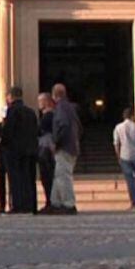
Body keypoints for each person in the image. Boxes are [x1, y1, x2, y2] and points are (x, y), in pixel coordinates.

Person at [2, 86, 40, 214]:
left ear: (10, 97)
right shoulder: (31, 112)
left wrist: (3, 143)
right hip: (30, 150)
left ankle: (18, 205)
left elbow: (8, 131)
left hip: (15, 151)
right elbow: (36, 130)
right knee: (29, 179)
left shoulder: (12, 111)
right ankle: (31, 205)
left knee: (16, 179)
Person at [48, 83, 81, 215]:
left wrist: (56, 142)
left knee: (63, 176)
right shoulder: (71, 108)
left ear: (54, 95)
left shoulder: (60, 108)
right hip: (72, 145)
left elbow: (63, 125)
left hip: (64, 147)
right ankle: (55, 202)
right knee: (59, 175)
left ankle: (68, 203)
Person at [113, 108, 135, 211]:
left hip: (125, 156)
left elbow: (116, 143)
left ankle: (134, 204)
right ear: (133, 116)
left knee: (130, 181)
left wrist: (118, 156)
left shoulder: (118, 127)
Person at [36, 93, 56, 213]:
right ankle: (50, 201)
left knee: (47, 177)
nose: (39, 104)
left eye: (41, 101)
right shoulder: (49, 115)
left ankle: (50, 201)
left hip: (46, 149)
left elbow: (41, 131)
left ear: (47, 102)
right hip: (47, 148)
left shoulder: (48, 116)